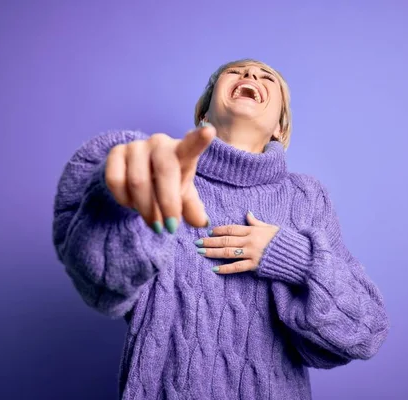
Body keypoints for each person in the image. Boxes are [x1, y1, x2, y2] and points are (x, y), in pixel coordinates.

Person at [52, 59, 389, 399]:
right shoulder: (162, 174)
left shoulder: (306, 198)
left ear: (279, 129)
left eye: (267, 76)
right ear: (204, 113)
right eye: (237, 71)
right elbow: (100, 286)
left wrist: (294, 258)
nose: (252, 75)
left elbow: (365, 331)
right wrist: (115, 199)